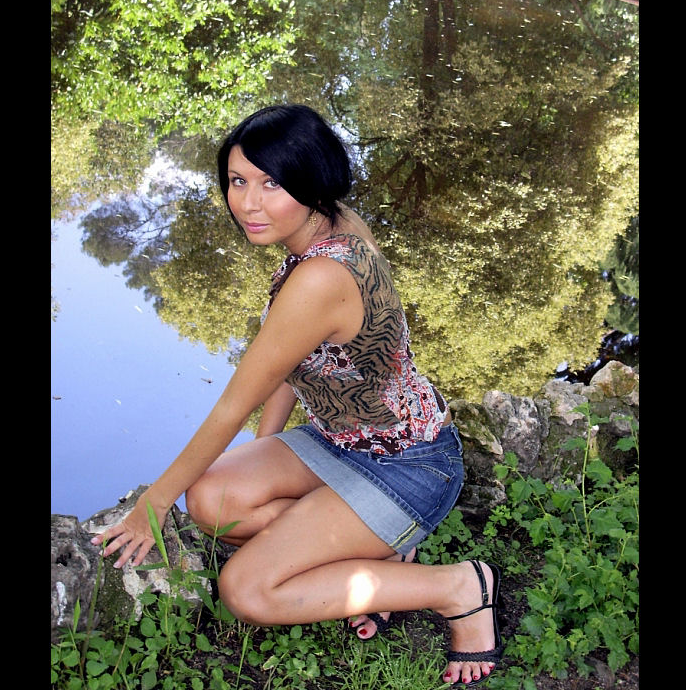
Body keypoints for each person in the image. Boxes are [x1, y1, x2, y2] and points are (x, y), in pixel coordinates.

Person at [91, 104, 503, 687]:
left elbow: (232, 405)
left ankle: (460, 588)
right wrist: (267, 454)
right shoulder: (334, 222)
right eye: (238, 181)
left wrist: (153, 503)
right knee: (212, 502)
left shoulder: (320, 277)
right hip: (342, 440)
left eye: (271, 183)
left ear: (310, 181)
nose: (248, 203)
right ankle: (380, 556)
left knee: (247, 591)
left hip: (409, 466)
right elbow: (294, 362)